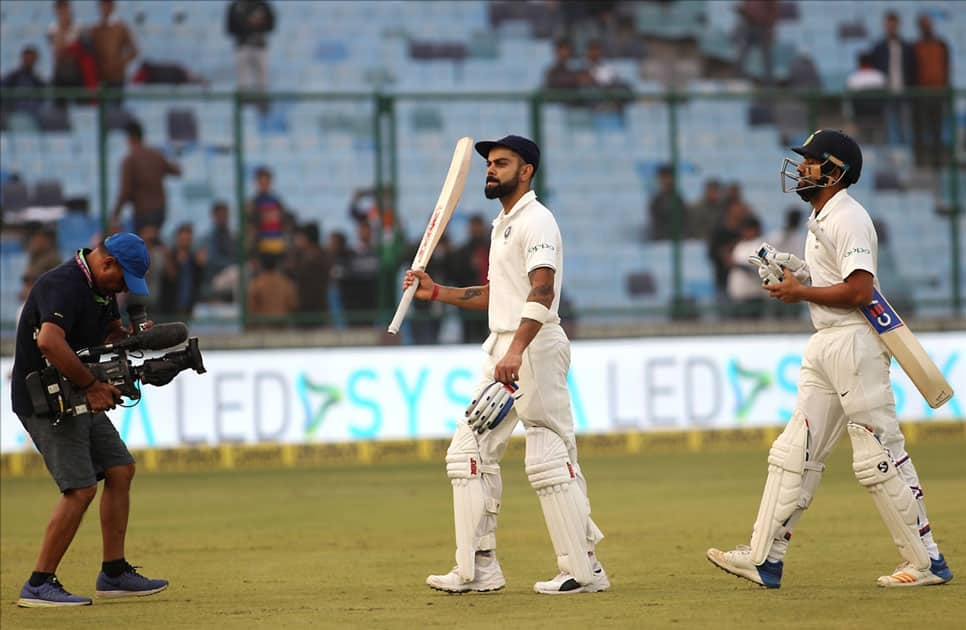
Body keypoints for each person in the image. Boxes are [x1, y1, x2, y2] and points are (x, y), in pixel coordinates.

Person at [707, 129, 953, 589]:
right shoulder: (822, 217)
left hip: (854, 343)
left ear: (835, 171)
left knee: (877, 455)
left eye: (811, 161)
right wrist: (795, 270)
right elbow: (832, 279)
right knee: (793, 452)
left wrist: (800, 291)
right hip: (826, 342)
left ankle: (926, 562)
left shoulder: (849, 218)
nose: (800, 168)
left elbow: (859, 289)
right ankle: (764, 559)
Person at [405, 135, 608, 595]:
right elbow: (498, 294)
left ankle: (583, 569)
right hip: (503, 345)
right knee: (467, 454)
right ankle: (479, 567)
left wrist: (516, 350)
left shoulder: (538, 221)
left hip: (532, 347)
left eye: (502, 163)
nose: (491, 170)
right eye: (489, 164)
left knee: (549, 457)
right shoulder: (505, 224)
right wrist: (437, 292)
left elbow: (542, 292)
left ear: (527, 170)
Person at [11, 232, 168, 607]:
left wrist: (133, 340)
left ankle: (113, 573)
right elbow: (49, 341)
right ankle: (38, 583)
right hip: (46, 399)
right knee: (80, 489)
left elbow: (109, 335)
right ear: (107, 263)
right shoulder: (62, 284)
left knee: (119, 469)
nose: (123, 290)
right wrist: (92, 385)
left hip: (75, 388)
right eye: (122, 280)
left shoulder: (102, 290)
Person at [110, 120, 181, 234]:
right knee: (153, 241)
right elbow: (177, 171)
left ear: (130, 138)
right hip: (160, 211)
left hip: (142, 212)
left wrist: (115, 214)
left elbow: (125, 191)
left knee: (143, 245)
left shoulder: (129, 160)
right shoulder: (156, 155)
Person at [869, 11, 917, 145]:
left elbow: (912, 69)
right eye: (888, 25)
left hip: (904, 92)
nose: (891, 27)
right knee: (888, 128)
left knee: (906, 127)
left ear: (898, 25)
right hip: (886, 93)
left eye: (893, 25)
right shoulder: (879, 47)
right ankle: (891, 158)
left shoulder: (906, 47)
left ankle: (906, 155)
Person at [911, 14, 951, 168]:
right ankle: (920, 162)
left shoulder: (941, 45)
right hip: (921, 95)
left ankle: (937, 163)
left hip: (938, 93)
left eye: (928, 24)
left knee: (937, 130)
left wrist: (946, 89)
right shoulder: (917, 47)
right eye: (923, 24)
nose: (926, 27)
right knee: (920, 131)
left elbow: (946, 69)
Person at [226, 0, 275, 110]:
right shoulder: (235, 6)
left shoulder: (263, 5)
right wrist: (247, 25)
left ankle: (262, 99)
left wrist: (259, 23)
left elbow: (271, 25)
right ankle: (244, 98)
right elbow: (229, 28)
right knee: (242, 72)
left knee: (262, 72)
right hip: (242, 44)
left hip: (259, 44)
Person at [90, 0, 138, 98]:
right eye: (103, 5)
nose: (105, 8)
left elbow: (134, 51)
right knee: (102, 106)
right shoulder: (95, 29)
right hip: (101, 77)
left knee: (116, 107)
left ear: (113, 6)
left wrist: (121, 63)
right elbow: (91, 52)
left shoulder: (121, 27)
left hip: (117, 77)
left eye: (108, 4)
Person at [288, 222, 331, 326]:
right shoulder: (323, 255)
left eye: (299, 237)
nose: (296, 240)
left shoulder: (317, 258)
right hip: (309, 311)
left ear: (307, 238)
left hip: (313, 311)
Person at [198, 200, 239, 302]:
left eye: (225, 215)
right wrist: (232, 264)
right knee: (237, 273)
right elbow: (212, 260)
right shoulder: (209, 237)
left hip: (231, 276)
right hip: (215, 278)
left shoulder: (232, 236)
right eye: (220, 216)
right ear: (214, 217)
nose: (223, 218)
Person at [245, 166, 288, 259]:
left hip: (277, 247)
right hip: (260, 248)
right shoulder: (252, 203)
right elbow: (250, 227)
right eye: (261, 182)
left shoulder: (277, 202)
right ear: (257, 182)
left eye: (266, 181)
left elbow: (283, 223)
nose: (264, 184)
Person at [246, 253, 297, 328]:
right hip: (281, 329)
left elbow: (250, 309)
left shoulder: (256, 284)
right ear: (277, 265)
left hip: (262, 329)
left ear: (261, 265)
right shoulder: (286, 284)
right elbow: (293, 305)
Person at [733, 0, 778, 85]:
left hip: (763, 27)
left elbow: (774, 11)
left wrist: (770, 27)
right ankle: (739, 80)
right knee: (742, 54)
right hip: (749, 25)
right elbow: (746, 9)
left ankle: (769, 83)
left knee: (766, 57)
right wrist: (741, 10)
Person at [2, 46, 47, 120]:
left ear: (36, 59)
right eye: (27, 58)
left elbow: (44, 98)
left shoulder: (39, 79)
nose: (29, 61)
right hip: (15, 114)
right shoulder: (13, 77)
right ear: (22, 58)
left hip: (35, 115)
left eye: (32, 59)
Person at [647, 164, 686, 241]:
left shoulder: (679, 199)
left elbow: (684, 221)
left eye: (668, 177)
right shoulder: (656, 201)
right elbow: (656, 224)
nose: (666, 181)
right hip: (662, 240)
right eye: (663, 178)